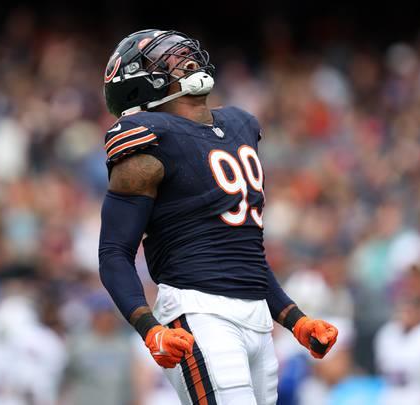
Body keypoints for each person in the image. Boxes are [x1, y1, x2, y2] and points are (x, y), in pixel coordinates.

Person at [98, 29, 338, 405]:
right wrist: (149, 328)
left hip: (257, 319)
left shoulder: (240, 126)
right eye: (164, 58)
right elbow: (114, 252)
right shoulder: (146, 138)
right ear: (137, 84)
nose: (183, 56)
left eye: (180, 50)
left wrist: (295, 319)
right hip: (198, 312)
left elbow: (244, 255)